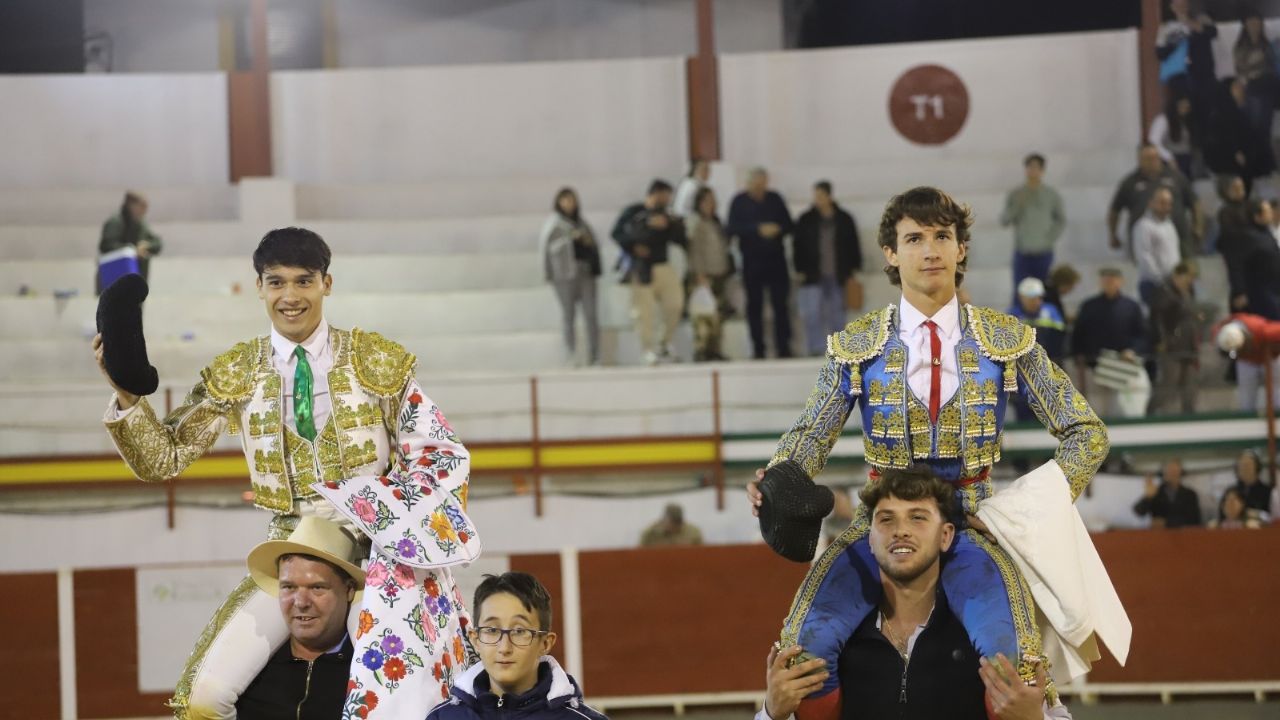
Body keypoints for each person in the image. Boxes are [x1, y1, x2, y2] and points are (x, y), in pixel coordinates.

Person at [748, 186, 1107, 718]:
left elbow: (1087, 432)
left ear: (962, 248)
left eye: (943, 236)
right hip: (880, 524)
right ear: (891, 254)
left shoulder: (1007, 340)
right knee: (804, 655)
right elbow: (808, 437)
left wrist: (1016, 512)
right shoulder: (857, 344)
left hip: (968, 525)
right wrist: (776, 480)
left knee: (1013, 664)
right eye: (914, 238)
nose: (931, 250)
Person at [95, 227, 480, 719]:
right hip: (290, 555)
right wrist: (127, 396)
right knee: (202, 699)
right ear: (259, 287)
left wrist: (397, 517)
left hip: (375, 555)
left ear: (327, 284)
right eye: (276, 283)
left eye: (304, 281)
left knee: (404, 700)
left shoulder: (375, 361)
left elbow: (441, 454)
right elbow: (162, 458)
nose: (290, 296)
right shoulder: (237, 372)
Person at [755, 467, 1072, 720]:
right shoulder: (836, 642)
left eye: (918, 517)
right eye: (886, 519)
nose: (900, 530)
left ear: (946, 535)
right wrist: (772, 714)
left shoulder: (984, 632)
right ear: (869, 539)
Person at [427, 572, 606, 720]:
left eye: (519, 631)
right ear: (475, 640)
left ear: (545, 643)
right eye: (492, 630)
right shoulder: (442, 717)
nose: (504, 648)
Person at [236, 517, 365, 720]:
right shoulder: (248, 674)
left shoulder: (368, 673)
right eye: (289, 587)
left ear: (348, 590)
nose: (301, 602)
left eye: (317, 588)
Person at [612, 180, 688, 365]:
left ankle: (664, 343)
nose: (667, 200)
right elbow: (616, 233)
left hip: (663, 264)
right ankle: (647, 350)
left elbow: (681, 238)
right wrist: (635, 245)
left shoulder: (667, 215)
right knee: (643, 312)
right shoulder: (634, 212)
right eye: (664, 195)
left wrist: (669, 224)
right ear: (655, 193)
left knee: (675, 304)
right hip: (641, 267)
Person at [727, 167, 795, 359]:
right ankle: (758, 349)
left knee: (781, 305)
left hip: (776, 260)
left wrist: (777, 229)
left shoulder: (775, 199)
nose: (759, 187)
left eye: (762, 183)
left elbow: (789, 225)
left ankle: (784, 347)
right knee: (754, 307)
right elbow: (732, 228)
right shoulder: (738, 202)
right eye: (755, 184)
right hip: (751, 261)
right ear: (748, 183)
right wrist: (757, 229)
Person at [793, 180, 863, 356]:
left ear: (829, 196)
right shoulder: (806, 219)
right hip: (812, 274)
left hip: (838, 273)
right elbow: (798, 246)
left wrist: (853, 269)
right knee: (813, 313)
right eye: (816, 196)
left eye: (821, 196)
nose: (818, 200)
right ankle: (816, 348)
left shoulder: (844, 219)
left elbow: (853, 245)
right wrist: (799, 269)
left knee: (837, 313)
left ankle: (839, 348)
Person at [1108, 143, 1202, 261]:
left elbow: (1194, 203)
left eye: (1155, 157)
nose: (1152, 161)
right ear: (1139, 160)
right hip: (1144, 239)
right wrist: (1113, 234)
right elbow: (1115, 210)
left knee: (1186, 269)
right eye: (1147, 158)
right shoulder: (1130, 182)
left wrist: (1197, 226)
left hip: (1178, 234)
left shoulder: (1176, 177)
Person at [1072, 267, 1147, 413]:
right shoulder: (1089, 306)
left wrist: (1132, 350)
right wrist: (1079, 358)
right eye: (1105, 280)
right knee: (1097, 410)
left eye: (1112, 280)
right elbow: (1078, 335)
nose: (1109, 283)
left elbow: (1142, 335)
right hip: (1095, 367)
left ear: (1120, 282)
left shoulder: (1131, 307)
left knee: (1123, 409)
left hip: (1123, 368)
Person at [540, 188, 602, 366]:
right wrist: (570, 239)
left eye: (572, 200)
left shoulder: (582, 223)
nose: (569, 204)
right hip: (564, 275)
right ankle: (570, 354)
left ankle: (595, 355)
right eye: (565, 200)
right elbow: (548, 249)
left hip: (585, 273)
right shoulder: (554, 225)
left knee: (591, 315)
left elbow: (593, 245)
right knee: (568, 315)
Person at [1000, 153, 1066, 293]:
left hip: (1044, 251)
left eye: (1036, 168)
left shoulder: (1051, 194)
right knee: (1020, 291)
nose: (1032, 171)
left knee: (1043, 291)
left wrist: (1049, 238)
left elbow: (1061, 220)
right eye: (1030, 167)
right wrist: (1018, 203)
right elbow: (1005, 220)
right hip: (1023, 251)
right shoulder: (1017, 193)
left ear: (1042, 171)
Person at [1147, 261, 1205, 415]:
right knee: (1169, 383)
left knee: (1190, 384)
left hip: (1189, 345)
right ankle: (1151, 412)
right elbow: (1157, 319)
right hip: (1172, 346)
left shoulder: (1188, 292)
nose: (1189, 282)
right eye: (1187, 278)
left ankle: (1189, 414)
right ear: (1177, 276)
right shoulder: (1164, 292)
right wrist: (1161, 341)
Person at [686, 186, 733, 362]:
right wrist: (699, 273)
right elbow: (694, 250)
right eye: (707, 201)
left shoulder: (716, 223)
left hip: (719, 273)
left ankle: (715, 349)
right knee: (703, 316)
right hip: (703, 274)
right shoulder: (696, 223)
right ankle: (702, 350)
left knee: (718, 315)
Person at [1204, 77, 1275, 193]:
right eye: (1236, 87)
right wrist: (1235, 151)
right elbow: (1218, 142)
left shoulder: (1242, 113)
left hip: (1251, 169)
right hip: (1231, 170)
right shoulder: (1218, 117)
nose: (1241, 90)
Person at [1156, 0, 1218, 135]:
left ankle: (1205, 147)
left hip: (1203, 74)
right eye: (1178, 4)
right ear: (1172, 7)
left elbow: (1212, 33)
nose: (1182, 7)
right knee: (1186, 115)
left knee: (1207, 114)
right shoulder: (1166, 27)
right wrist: (1177, 40)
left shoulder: (1201, 18)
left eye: (1184, 3)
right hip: (1179, 78)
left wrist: (1188, 22)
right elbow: (1160, 53)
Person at [98, 191, 162, 293]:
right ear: (131, 205)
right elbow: (106, 246)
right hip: (116, 279)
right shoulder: (116, 222)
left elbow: (157, 243)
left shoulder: (140, 224)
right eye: (142, 206)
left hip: (137, 279)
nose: (145, 210)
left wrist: (147, 246)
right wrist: (131, 250)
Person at [1233, 10, 1278, 154]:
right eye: (1252, 23)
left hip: (1268, 87)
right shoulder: (1240, 46)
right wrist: (1255, 64)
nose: (1255, 26)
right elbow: (1240, 69)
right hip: (1252, 88)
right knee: (1255, 125)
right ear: (1246, 25)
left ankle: (1264, 160)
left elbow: (1271, 67)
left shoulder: (1267, 45)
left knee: (1265, 125)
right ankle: (1256, 159)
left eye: (1258, 23)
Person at [1131, 187, 1182, 305]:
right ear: (1151, 203)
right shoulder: (1143, 226)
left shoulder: (1170, 225)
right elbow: (1144, 256)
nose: (1166, 207)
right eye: (1162, 203)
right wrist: (1160, 281)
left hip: (1173, 282)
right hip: (1153, 284)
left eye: (1169, 204)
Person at [1007, 278, 1066, 364]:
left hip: (1050, 358)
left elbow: (1060, 334)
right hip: (1023, 360)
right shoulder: (1013, 314)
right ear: (1021, 297)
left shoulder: (1051, 310)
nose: (1034, 302)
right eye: (1030, 298)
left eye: (1037, 298)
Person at [1133, 459, 1202, 528]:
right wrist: (1147, 497)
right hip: (1159, 536)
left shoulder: (1190, 494)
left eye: (1174, 471)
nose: (1171, 474)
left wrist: (1167, 522)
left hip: (1182, 536)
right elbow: (1139, 512)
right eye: (1168, 471)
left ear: (1180, 473)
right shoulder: (1156, 492)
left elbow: (1194, 520)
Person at [1148, 94, 1198, 179]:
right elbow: (1153, 140)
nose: (1184, 110)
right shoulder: (1163, 119)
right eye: (1182, 106)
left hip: (1186, 159)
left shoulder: (1187, 121)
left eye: (1187, 107)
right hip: (1170, 159)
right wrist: (1169, 158)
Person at [1229, 448, 1272, 513]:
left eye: (1248, 465)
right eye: (1242, 466)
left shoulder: (1268, 492)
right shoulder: (1230, 492)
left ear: (1257, 468)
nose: (1244, 469)